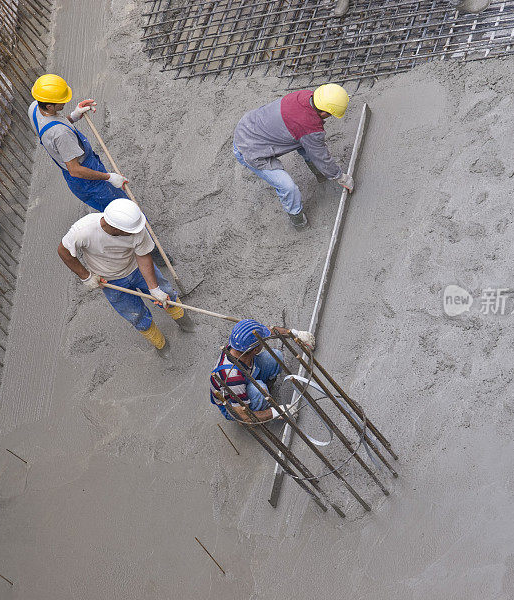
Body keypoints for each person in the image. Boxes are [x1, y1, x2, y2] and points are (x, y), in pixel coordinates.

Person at [57, 198, 194, 357]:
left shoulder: (136, 228)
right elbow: (63, 251)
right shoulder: (83, 231)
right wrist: (86, 276)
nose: (136, 233)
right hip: (110, 281)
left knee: (167, 295)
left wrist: (154, 288)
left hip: (136, 268)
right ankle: (161, 344)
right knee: (135, 314)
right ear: (115, 228)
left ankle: (186, 324)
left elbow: (143, 256)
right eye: (130, 232)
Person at [233, 84, 354, 230]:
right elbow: (321, 157)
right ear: (324, 112)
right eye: (331, 114)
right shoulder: (310, 127)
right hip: (249, 150)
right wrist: (341, 177)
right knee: (288, 188)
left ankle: (321, 177)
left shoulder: (306, 96)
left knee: (307, 145)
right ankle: (298, 221)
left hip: (250, 124)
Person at [28, 73, 129, 211]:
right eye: (61, 101)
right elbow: (75, 170)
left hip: (78, 165)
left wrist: (74, 116)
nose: (65, 102)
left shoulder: (34, 108)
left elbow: (51, 135)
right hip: (85, 179)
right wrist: (108, 177)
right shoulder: (61, 134)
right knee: (120, 209)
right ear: (50, 106)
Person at [210, 319, 315, 422]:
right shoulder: (232, 377)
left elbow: (270, 331)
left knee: (275, 356)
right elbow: (242, 415)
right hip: (234, 406)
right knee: (259, 390)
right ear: (255, 350)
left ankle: (264, 393)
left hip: (247, 373)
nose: (264, 341)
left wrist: (295, 334)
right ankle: (259, 413)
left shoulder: (239, 344)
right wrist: (276, 412)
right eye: (262, 342)